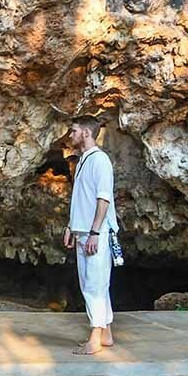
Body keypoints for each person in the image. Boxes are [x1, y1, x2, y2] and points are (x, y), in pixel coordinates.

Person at [62, 114, 118, 355]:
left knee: (94, 284)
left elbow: (103, 198)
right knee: (93, 283)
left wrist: (95, 231)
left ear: (86, 133)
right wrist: (71, 225)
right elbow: (81, 198)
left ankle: (94, 339)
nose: (70, 135)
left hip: (96, 232)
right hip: (83, 230)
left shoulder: (100, 160)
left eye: (73, 131)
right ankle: (105, 333)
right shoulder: (84, 159)